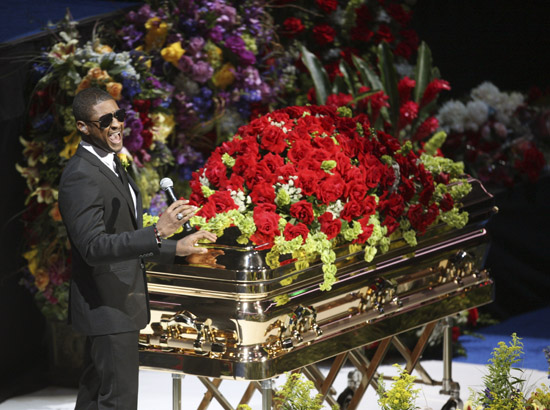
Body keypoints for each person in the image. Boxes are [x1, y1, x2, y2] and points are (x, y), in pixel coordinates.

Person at [58, 87, 217, 410]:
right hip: (107, 306)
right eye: (105, 120)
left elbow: (124, 237)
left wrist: (176, 247)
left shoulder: (112, 164)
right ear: (83, 127)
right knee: (117, 402)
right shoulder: (81, 176)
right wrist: (157, 231)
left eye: (119, 116)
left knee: (95, 397)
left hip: (117, 305)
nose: (116, 124)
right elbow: (93, 246)